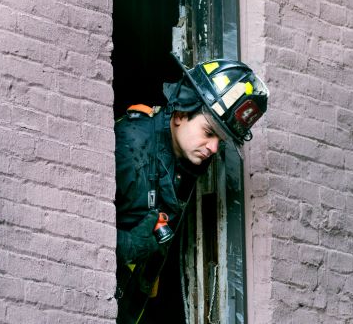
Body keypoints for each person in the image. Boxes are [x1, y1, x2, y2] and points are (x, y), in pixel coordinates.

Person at [114, 55, 269, 323]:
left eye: (220, 141)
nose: (212, 148)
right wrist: (126, 246)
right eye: (209, 132)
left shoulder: (182, 162)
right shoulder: (129, 147)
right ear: (181, 114)